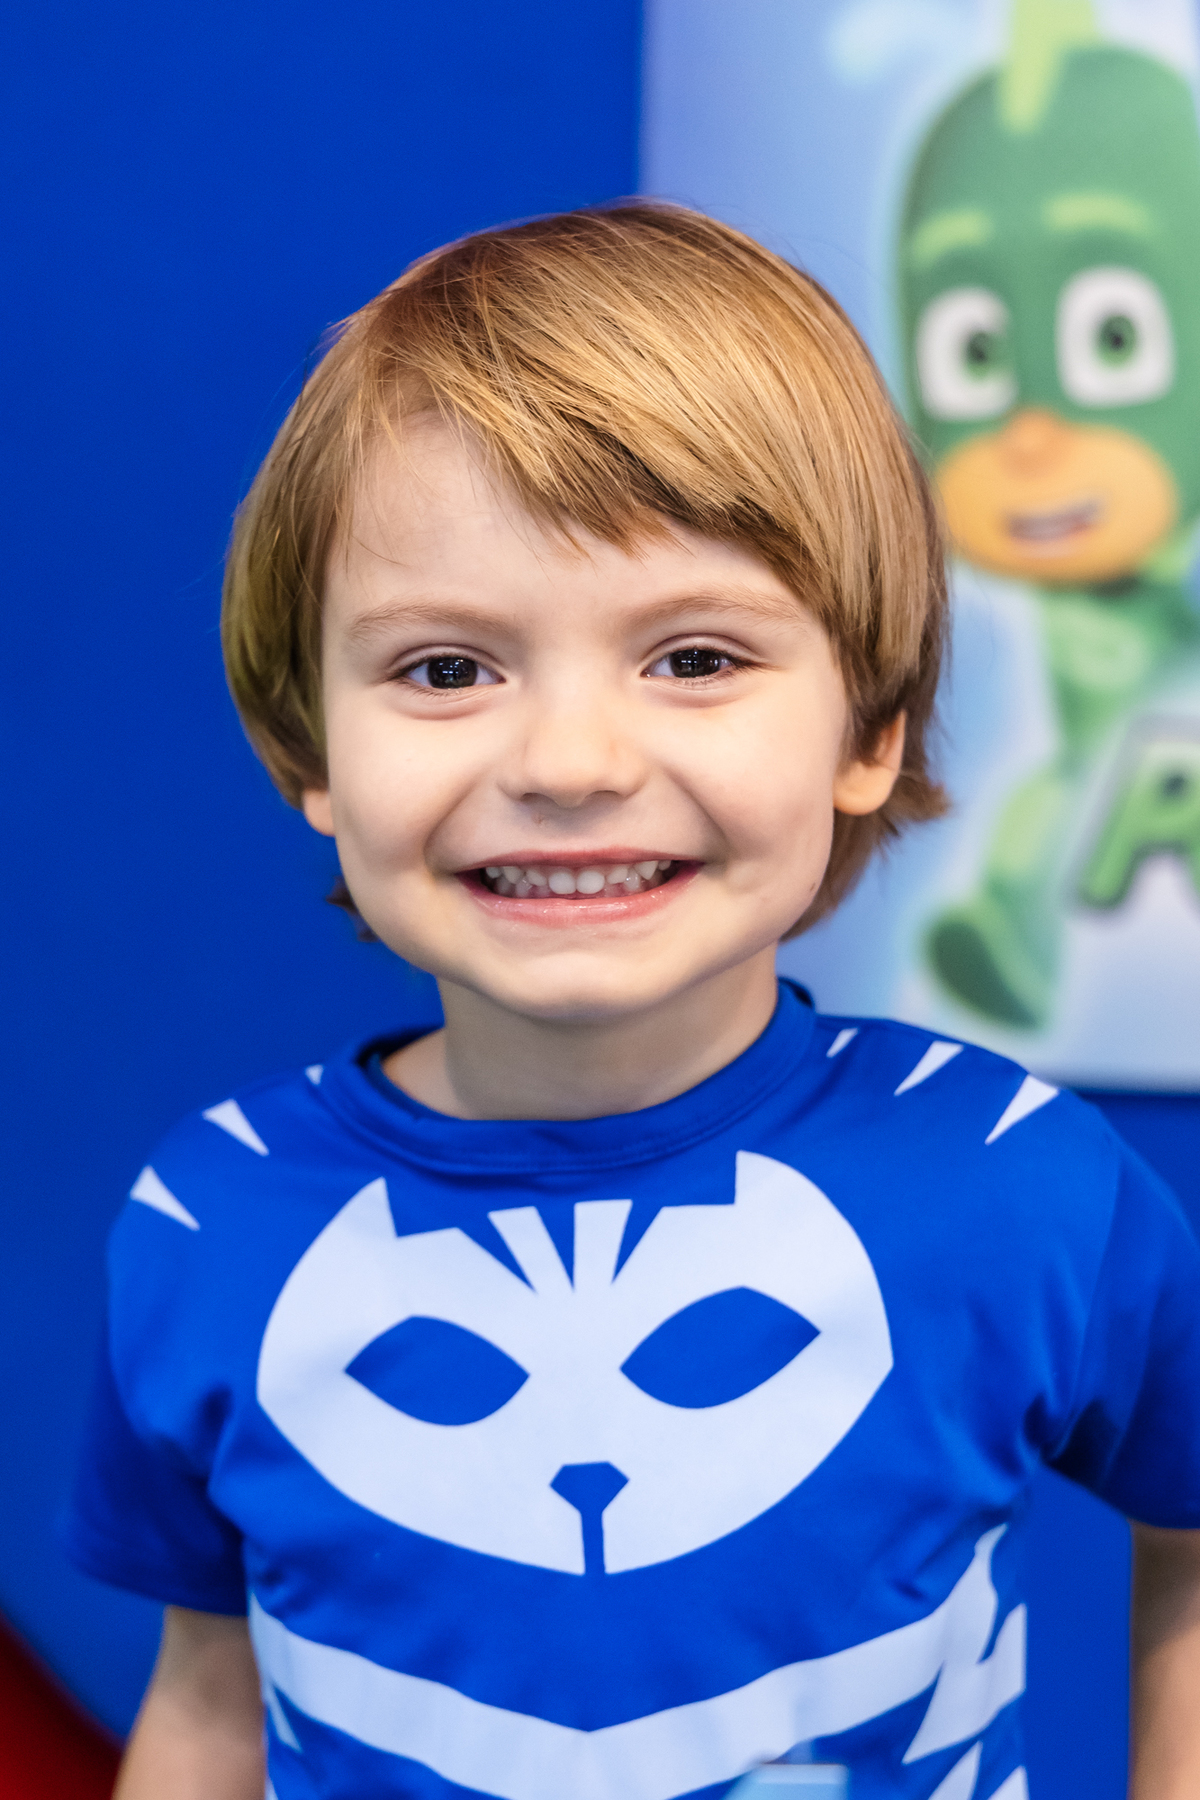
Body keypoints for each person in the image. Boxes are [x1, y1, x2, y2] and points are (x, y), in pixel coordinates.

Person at [62, 203, 1200, 1800]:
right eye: (447, 670)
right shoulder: (209, 1224)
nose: (570, 762)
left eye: (695, 658)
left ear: (868, 729)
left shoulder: (1021, 1181)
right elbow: (204, 1702)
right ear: (313, 747)